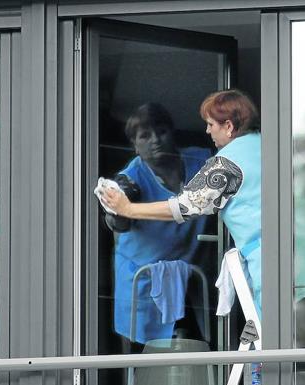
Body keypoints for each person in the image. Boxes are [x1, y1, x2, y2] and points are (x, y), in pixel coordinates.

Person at [101, 90, 263, 315]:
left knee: (270, 335)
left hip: (268, 262)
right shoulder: (273, 145)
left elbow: (184, 206)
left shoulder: (227, 164)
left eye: (210, 124)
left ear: (228, 126)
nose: (206, 130)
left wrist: (126, 208)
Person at [104, 102, 212, 352]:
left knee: (198, 352)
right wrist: (116, 207)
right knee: (143, 357)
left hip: (193, 276)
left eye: (161, 131)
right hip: (142, 280)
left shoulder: (202, 160)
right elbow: (117, 220)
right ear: (134, 145)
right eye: (145, 135)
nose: (156, 140)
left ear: (172, 132)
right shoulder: (131, 178)